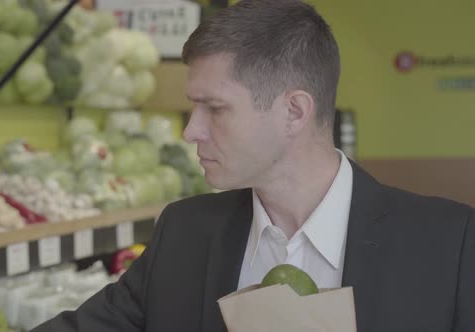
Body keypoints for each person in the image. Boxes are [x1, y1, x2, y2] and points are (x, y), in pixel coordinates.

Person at [32, 0, 475, 331]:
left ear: (295, 111)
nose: (191, 131)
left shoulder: (450, 244)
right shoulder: (183, 233)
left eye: (215, 109)